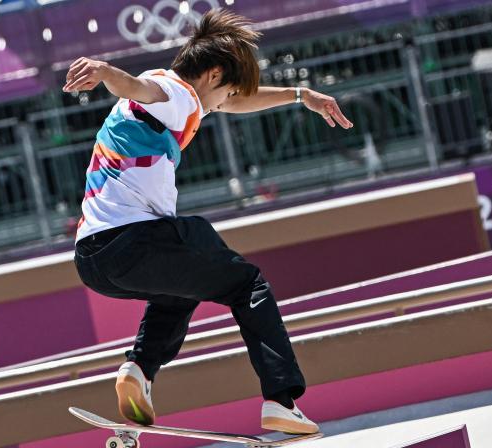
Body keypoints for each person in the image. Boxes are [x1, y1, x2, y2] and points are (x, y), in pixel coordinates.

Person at [66, 8, 353, 434]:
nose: (225, 105)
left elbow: (237, 102)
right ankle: (281, 399)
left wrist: (300, 94)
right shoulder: (174, 92)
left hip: (94, 258)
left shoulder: (176, 100)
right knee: (246, 282)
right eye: (226, 92)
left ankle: (140, 371)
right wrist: (108, 71)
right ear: (214, 75)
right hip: (133, 242)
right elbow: (141, 87)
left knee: (184, 283)